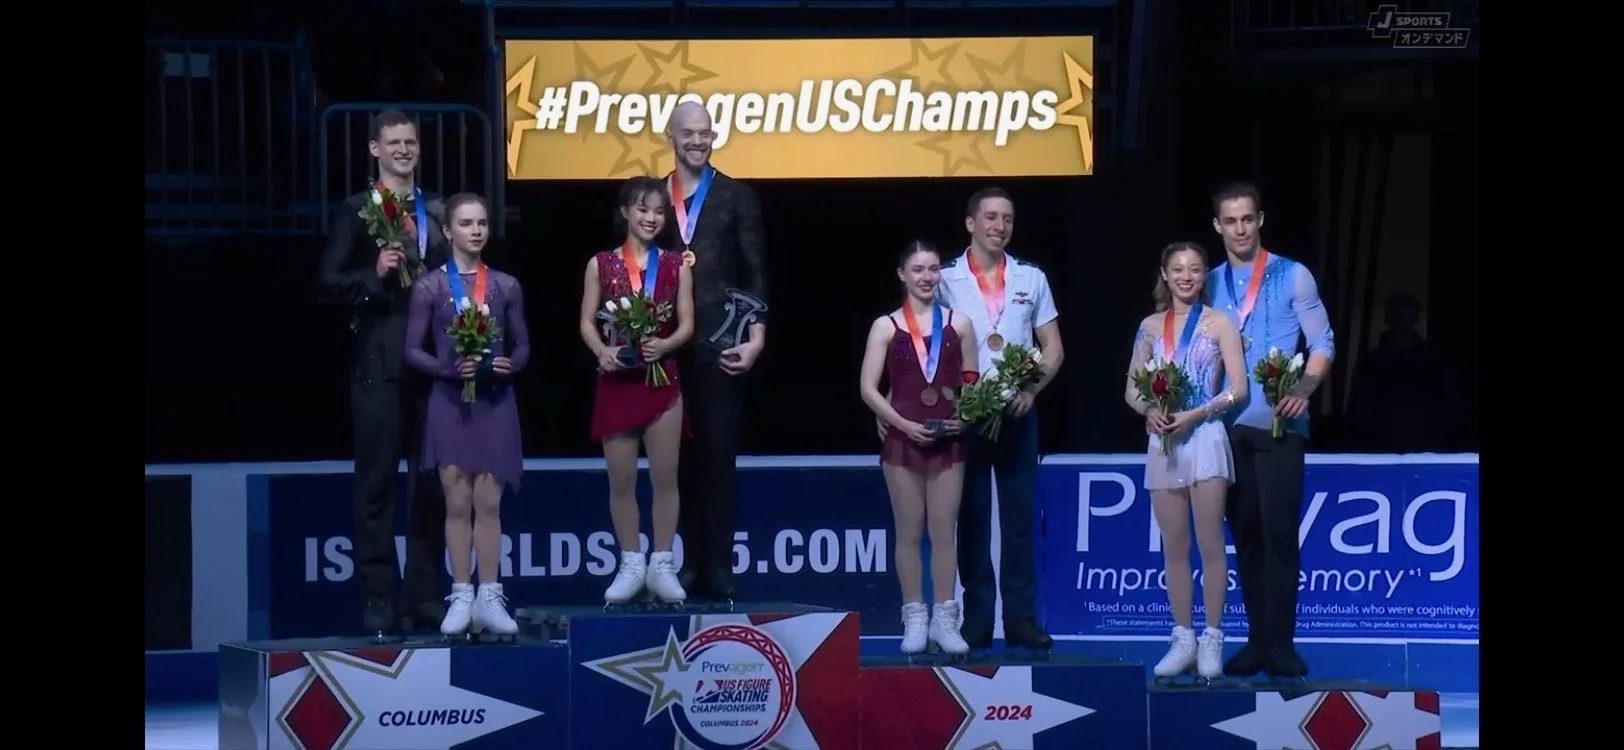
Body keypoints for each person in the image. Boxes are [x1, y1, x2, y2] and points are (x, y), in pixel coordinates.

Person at [315, 108, 448, 638]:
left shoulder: (437, 210)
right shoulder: (356, 210)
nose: (403, 150)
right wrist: (374, 275)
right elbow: (326, 281)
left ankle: (423, 595)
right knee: (376, 486)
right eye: (393, 142)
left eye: (410, 142)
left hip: (435, 364)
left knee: (431, 484)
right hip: (379, 361)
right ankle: (377, 597)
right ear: (374, 149)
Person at [1208, 182, 1335, 679]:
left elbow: (1322, 339)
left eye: (1248, 219)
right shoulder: (1209, 282)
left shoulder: (1292, 275)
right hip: (1225, 427)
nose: (1240, 228)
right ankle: (1256, 641)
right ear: (1218, 226)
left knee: (1278, 531)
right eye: (1230, 221)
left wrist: (1304, 386)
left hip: (1281, 422)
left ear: (1260, 219)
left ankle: (1281, 645)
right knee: (1246, 536)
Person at [937, 187, 1064, 652]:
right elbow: (931, 344)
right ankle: (976, 619)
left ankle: (1022, 619)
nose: (999, 226)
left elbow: (1053, 348)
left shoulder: (1032, 278)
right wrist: (953, 397)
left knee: (1019, 518)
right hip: (966, 415)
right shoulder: (947, 278)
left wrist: (1032, 388)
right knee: (971, 517)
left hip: (1017, 411)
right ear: (970, 223)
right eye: (990, 217)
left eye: (1007, 218)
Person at [403, 193, 530, 637]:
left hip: (494, 404)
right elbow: (412, 349)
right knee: (457, 505)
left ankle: (491, 596)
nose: (476, 230)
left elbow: (523, 347)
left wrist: (509, 365)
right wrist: (443, 367)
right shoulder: (430, 288)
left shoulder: (506, 286)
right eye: (467, 223)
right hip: (449, 405)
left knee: (489, 504)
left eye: (482, 223)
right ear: (449, 231)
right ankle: (460, 595)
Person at [659, 101, 769, 603]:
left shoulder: (737, 196)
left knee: (719, 457)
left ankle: (719, 567)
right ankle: (688, 565)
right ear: (671, 136)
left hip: (723, 342)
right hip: (664, 347)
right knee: (676, 461)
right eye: (689, 133)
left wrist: (757, 336)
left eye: (705, 133)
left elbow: (755, 269)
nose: (697, 141)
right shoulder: (652, 198)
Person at [1123, 241, 1248, 679]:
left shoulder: (1220, 324)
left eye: (1195, 268)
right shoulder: (1150, 327)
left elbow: (1239, 389)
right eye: (1178, 268)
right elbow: (1132, 390)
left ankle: (1213, 637)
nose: (1186, 276)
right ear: (1165, 273)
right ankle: (1183, 638)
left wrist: (1197, 412)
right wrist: (1149, 410)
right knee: (1173, 549)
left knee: (1210, 545)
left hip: (1206, 437)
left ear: (1203, 275)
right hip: (1164, 442)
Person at [580, 177, 695, 605]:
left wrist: (664, 344)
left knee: (666, 478)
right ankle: (630, 562)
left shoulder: (675, 265)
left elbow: (686, 324)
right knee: (622, 480)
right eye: (643, 209)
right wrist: (601, 351)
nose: (651, 218)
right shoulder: (601, 264)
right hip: (617, 381)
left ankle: (662, 563)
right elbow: (586, 322)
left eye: (659, 211)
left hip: (661, 379)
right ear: (626, 211)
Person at [859, 241, 977, 656]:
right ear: (902, 275)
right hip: (902, 437)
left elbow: (972, 383)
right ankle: (914, 616)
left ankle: (946, 619)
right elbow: (868, 389)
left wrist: (965, 417)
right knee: (909, 532)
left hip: (948, 439)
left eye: (932, 269)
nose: (926, 277)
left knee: (944, 531)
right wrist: (902, 424)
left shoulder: (959, 324)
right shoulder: (886, 326)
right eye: (917, 269)